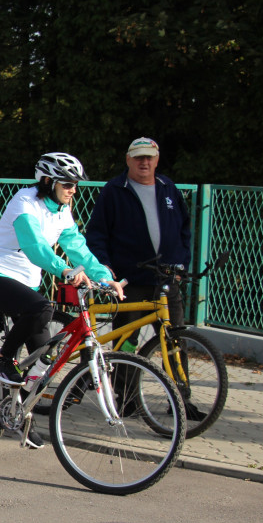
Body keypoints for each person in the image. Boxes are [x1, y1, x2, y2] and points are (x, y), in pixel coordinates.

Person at [0, 152, 124, 448]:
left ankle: (17, 416)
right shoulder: (25, 202)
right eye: (67, 184)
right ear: (47, 181)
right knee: (43, 308)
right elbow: (35, 246)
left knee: (43, 361)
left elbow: (77, 247)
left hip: (25, 286)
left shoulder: (62, 211)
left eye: (75, 185)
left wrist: (105, 277)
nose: (73, 190)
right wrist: (64, 270)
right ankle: (2, 360)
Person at [85, 137, 204, 420]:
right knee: (127, 341)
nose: (144, 162)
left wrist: (182, 262)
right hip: (130, 280)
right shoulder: (114, 190)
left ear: (157, 159)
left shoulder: (168, 187)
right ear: (128, 159)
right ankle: (126, 399)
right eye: (138, 157)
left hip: (166, 279)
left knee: (175, 339)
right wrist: (104, 266)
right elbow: (97, 232)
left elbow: (185, 229)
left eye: (149, 157)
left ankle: (181, 400)